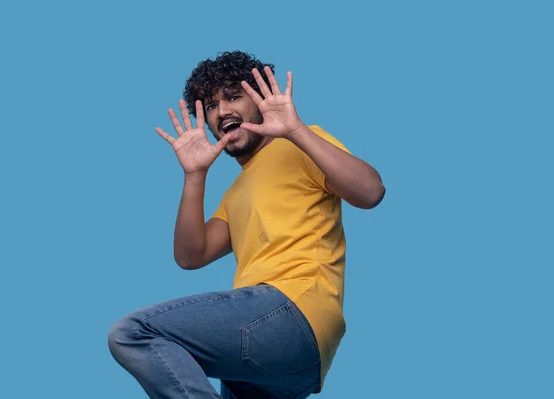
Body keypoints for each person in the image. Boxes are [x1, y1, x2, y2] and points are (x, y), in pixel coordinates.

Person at [108, 51, 385, 399]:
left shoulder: (301, 145)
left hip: (291, 310)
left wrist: (297, 130)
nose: (222, 110)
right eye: (210, 105)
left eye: (233, 96)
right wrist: (195, 175)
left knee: (135, 332)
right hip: (288, 366)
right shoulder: (236, 193)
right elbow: (191, 255)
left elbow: (371, 191)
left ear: (258, 100)